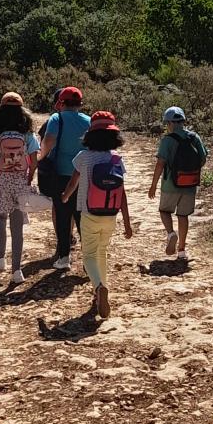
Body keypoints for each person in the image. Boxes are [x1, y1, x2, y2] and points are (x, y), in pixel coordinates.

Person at [62, 111, 132, 318]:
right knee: (102, 253)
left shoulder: (83, 157)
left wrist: (65, 197)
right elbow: (123, 193)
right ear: (114, 137)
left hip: (89, 213)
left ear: (90, 135)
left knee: (89, 255)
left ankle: (99, 287)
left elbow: (73, 182)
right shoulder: (116, 159)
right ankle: (100, 291)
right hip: (110, 215)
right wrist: (127, 223)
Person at [0, 92, 39, 284]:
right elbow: (33, 160)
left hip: (2, 182)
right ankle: (17, 270)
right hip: (20, 183)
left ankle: (0, 259)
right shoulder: (28, 135)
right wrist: (29, 178)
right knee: (17, 227)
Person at [39, 87, 90, 270]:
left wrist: (40, 158)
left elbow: (48, 141)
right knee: (82, 217)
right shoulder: (88, 121)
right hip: (83, 175)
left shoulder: (56, 118)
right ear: (79, 103)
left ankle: (64, 257)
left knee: (62, 215)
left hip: (61, 175)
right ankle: (88, 259)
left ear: (62, 102)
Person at [148, 106, 207, 261]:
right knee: (183, 215)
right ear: (183, 121)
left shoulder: (167, 140)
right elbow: (203, 158)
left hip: (170, 184)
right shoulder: (194, 137)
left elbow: (160, 163)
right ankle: (181, 250)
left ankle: (170, 233)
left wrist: (153, 185)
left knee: (164, 211)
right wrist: (191, 171)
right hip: (190, 184)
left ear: (169, 123)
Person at [38, 88, 77, 248]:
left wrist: (39, 159)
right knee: (75, 207)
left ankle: (63, 240)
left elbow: (44, 144)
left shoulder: (52, 121)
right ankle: (70, 235)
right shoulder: (84, 119)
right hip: (79, 170)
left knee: (59, 206)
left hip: (58, 171)